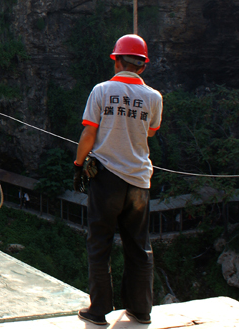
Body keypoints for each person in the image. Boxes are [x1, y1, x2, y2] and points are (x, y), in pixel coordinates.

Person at [74, 34, 162, 326]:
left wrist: (78, 165)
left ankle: (99, 309)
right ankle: (140, 310)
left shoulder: (101, 91)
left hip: (107, 179)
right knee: (138, 245)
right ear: (142, 66)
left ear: (116, 61)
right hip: (139, 181)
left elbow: (89, 133)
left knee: (100, 243)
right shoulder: (154, 97)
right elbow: (150, 132)